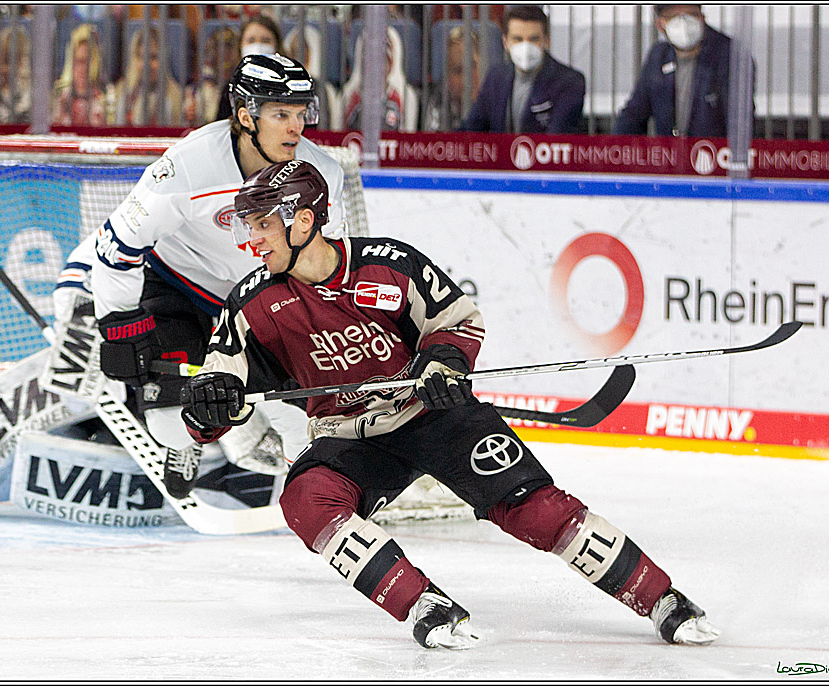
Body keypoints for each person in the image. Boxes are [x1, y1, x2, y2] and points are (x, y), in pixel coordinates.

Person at [178, 159, 722, 650]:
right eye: (248, 226)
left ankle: (661, 599)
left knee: (532, 509)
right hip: (350, 437)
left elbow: (457, 322)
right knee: (306, 499)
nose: (251, 239)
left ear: (302, 222)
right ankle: (424, 603)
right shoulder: (252, 302)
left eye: (262, 224)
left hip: (433, 415)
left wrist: (442, 367)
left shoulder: (389, 266)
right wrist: (208, 406)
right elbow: (222, 386)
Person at [72, 54, 349, 500]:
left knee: (307, 419)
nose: (296, 128)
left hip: (262, 303)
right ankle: (196, 439)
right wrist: (119, 326)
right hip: (183, 291)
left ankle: (319, 499)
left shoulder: (322, 176)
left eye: (301, 114)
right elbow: (116, 245)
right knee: (168, 425)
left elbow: (325, 268)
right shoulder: (187, 165)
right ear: (244, 116)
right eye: (281, 115)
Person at [613, 5, 744, 137]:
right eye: (673, 16)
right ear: (660, 25)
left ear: (702, 18)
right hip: (669, 154)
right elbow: (633, 115)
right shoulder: (658, 57)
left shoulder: (731, 56)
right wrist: (617, 149)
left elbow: (741, 123)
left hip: (714, 154)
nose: (683, 22)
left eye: (691, 14)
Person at [460, 5, 585, 134]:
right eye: (517, 39)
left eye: (534, 39)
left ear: (547, 41)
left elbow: (558, 136)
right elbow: (471, 129)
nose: (526, 46)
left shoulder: (570, 82)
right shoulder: (496, 77)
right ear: (505, 42)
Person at [341, 25, 419, 132]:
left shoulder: (405, 97)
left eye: (381, 61)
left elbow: (407, 140)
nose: (374, 67)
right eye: (369, 60)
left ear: (390, 64)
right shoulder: (349, 96)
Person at [214, 15, 286, 122]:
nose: (258, 46)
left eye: (266, 40)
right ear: (240, 45)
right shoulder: (231, 89)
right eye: (251, 40)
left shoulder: (289, 87)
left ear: (277, 45)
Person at [112, 26, 184, 126]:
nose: (147, 65)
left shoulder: (176, 98)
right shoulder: (119, 94)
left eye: (153, 57)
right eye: (142, 57)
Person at [422, 26, 481, 131]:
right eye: (458, 71)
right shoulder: (439, 99)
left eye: (472, 67)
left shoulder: (495, 98)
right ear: (448, 77)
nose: (466, 78)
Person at [51, 23, 108, 126]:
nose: (84, 68)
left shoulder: (105, 99)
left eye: (88, 62)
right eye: (79, 61)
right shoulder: (59, 98)